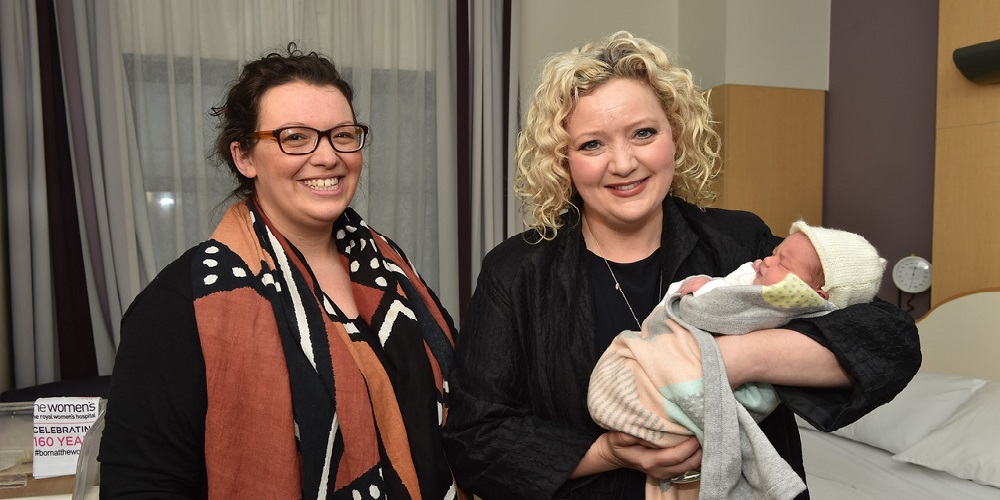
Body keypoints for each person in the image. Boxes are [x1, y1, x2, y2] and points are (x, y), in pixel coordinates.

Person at [441, 31, 920, 500]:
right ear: (562, 160)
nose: (624, 163)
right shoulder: (517, 272)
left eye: (643, 133)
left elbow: (889, 338)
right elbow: (474, 440)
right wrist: (609, 452)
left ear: (677, 136)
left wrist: (734, 360)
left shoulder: (737, 242)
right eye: (592, 145)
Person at [98, 43, 459, 499]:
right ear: (244, 157)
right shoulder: (180, 304)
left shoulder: (391, 270)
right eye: (295, 137)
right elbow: (141, 485)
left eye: (343, 135)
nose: (328, 157)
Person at [587, 220, 887, 499]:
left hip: (678, 397)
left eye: (783, 262)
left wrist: (710, 305)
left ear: (812, 293)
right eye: (774, 253)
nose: (766, 260)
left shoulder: (781, 300)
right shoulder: (764, 284)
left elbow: (708, 312)